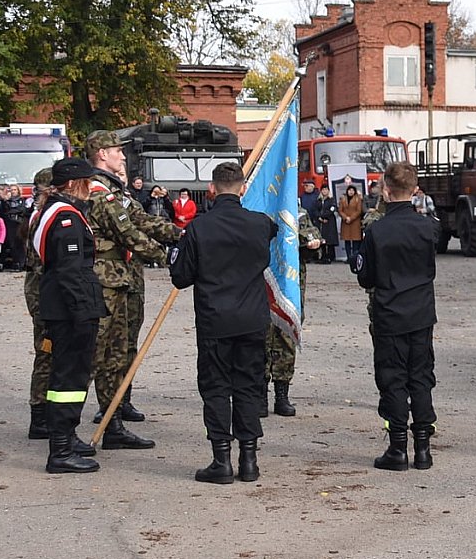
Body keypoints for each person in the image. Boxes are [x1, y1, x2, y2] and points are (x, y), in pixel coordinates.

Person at [170, 161, 276, 484]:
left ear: (211, 189)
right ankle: (249, 459)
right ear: (243, 189)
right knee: (248, 386)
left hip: (215, 319)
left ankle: (222, 460)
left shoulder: (199, 228)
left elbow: (181, 277)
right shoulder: (260, 224)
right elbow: (273, 232)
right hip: (251, 318)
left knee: (216, 387)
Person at [82, 131, 182, 445]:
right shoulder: (99, 192)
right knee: (94, 355)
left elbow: (141, 220)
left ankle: (113, 425)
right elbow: (128, 233)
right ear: (102, 153)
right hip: (103, 280)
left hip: (119, 279)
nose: (123, 156)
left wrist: (184, 234)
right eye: (117, 151)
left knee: (116, 354)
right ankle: (63, 432)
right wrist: (168, 256)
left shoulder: (114, 191)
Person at [354, 161, 442, 471]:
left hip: (389, 312)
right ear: (415, 191)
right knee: (421, 377)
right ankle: (423, 448)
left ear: (386, 191)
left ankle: (398, 448)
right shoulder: (429, 226)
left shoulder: (377, 230)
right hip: (421, 313)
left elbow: (365, 276)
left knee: (392, 379)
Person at [33, 158, 109, 474]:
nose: (92, 187)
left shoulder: (61, 211)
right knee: (68, 378)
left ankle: (66, 437)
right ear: (74, 184)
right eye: (88, 182)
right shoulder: (65, 217)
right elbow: (70, 271)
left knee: (71, 378)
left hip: (67, 307)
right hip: (70, 310)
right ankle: (60, 450)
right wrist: (82, 312)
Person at [264, 212, 322, 417]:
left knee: (286, 337)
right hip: (263, 284)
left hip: (289, 286)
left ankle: (282, 393)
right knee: (259, 338)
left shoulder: (298, 214)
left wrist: (311, 243)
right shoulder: (258, 208)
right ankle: (259, 393)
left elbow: (312, 237)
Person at [339, 183, 365, 265]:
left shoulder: (358, 199)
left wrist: (351, 218)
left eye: (352, 190)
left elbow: (359, 211)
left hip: (355, 223)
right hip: (345, 223)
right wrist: (345, 217)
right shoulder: (343, 199)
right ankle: (348, 257)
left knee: (355, 242)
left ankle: (354, 258)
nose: (351, 192)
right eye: (349, 190)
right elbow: (340, 210)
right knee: (347, 241)